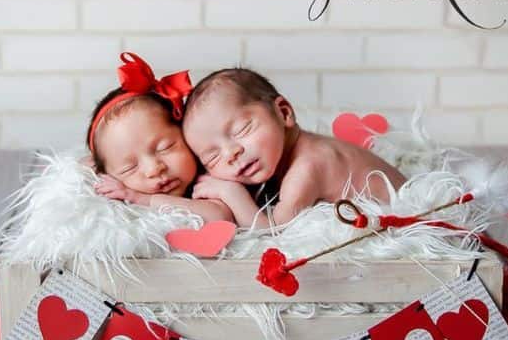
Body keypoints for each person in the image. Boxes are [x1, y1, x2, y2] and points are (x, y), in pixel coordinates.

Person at [182, 67, 406, 229]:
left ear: (284, 112)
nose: (231, 154)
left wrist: (230, 193)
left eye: (242, 130)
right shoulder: (283, 157)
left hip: (405, 218)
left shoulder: (309, 165)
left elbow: (272, 231)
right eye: (212, 158)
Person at [86, 52, 236, 223]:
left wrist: (141, 198)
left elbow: (219, 216)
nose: (154, 169)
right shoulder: (116, 212)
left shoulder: (209, 178)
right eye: (130, 168)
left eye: (165, 148)